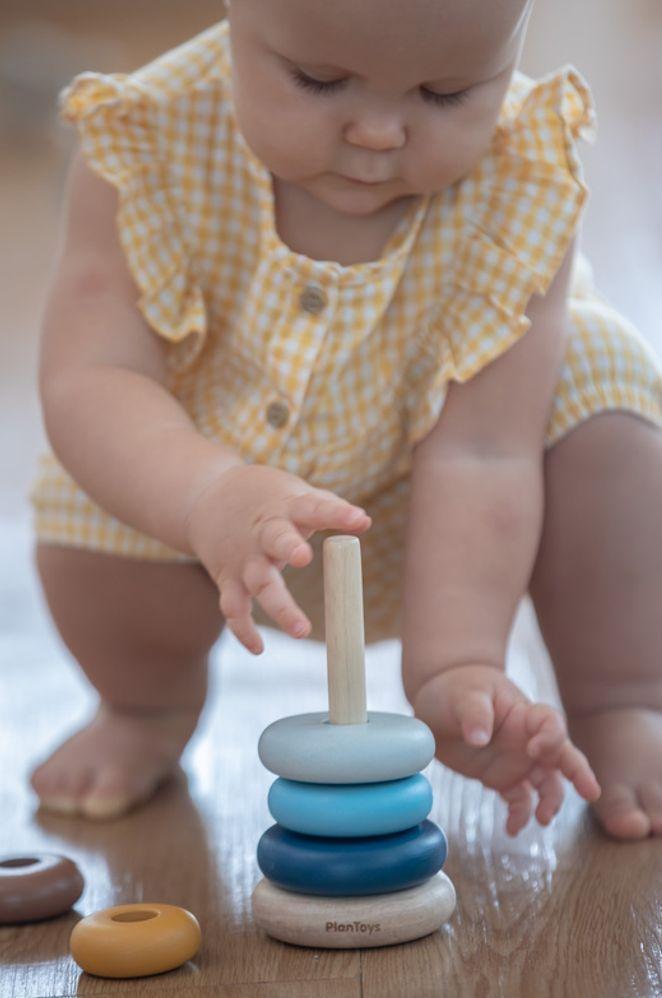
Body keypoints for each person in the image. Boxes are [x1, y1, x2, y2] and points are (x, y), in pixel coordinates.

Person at [29, 0, 662, 839]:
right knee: (94, 479)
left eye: (445, 93)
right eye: (320, 81)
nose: (377, 133)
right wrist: (208, 491)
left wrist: (458, 665)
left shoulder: (525, 170)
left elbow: (485, 451)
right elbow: (91, 378)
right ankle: (143, 707)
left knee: (603, 379)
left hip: (440, 516)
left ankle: (621, 700)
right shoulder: (146, 136)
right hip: (192, 496)